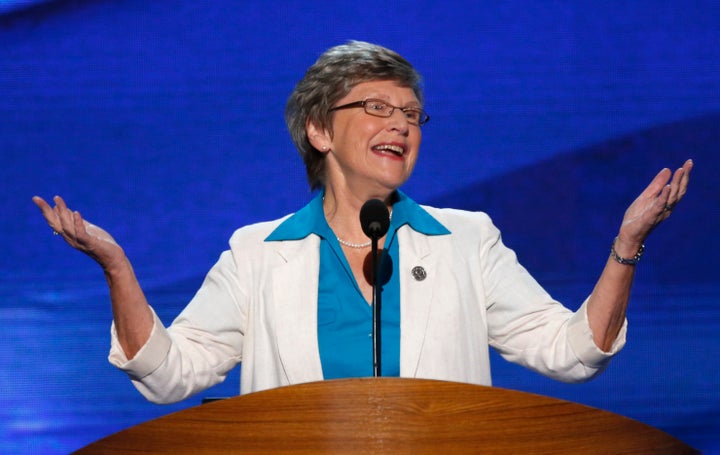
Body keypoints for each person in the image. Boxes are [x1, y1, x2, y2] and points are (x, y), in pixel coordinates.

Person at [33, 40, 693, 404]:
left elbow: (571, 352)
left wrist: (625, 248)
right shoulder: (259, 252)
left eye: (411, 113)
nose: (401, 124)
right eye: (376, 107)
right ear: (319, 128)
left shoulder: (467, 239)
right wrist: (117, 265)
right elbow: (171, 372)